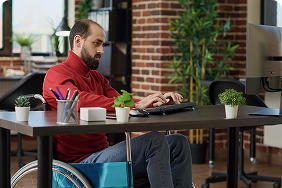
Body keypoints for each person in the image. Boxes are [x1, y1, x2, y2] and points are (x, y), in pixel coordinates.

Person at [43, 19, 194, 188]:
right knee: (154, 140)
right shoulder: (56, 74)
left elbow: (122, 101)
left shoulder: (96, 78)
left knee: (178, 142)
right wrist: (135, 105)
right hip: (79, 164)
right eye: (96, 43)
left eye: (103, 44)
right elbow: (81, 100)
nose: (101, 50)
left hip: (103, 153)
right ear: (78, 41)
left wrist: (154, 102)